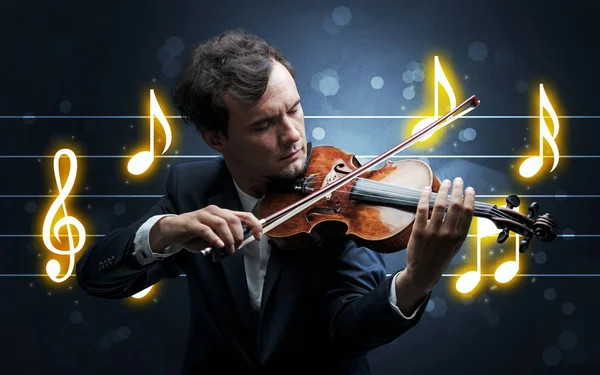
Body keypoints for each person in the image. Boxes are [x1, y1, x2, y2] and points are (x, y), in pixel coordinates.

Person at [76, 29, 476, 374]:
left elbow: (348, 332)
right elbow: (97, 277)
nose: (292, 136)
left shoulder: (340, 202)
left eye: (294, 109)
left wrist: (417, 280)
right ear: (216, 138)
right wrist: (164, 232)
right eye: (265, 124)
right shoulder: (192, 190)